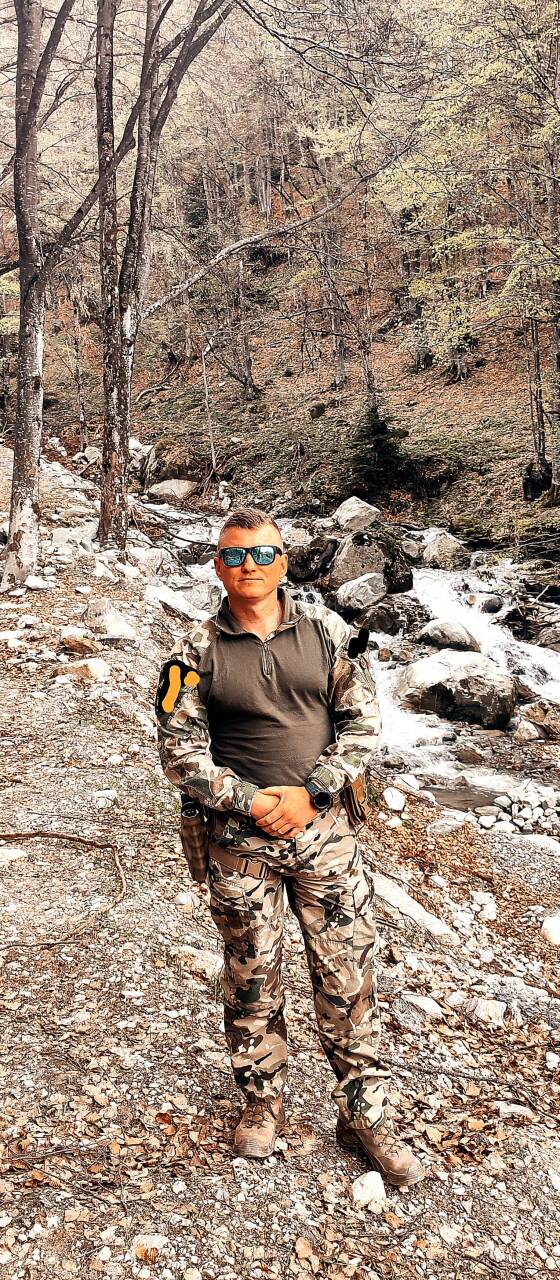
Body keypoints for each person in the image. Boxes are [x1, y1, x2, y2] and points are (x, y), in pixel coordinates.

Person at [155, 506, 423, 1186]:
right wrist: (250, 801)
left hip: (325, 833)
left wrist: (314, 792)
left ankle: (364, 1114)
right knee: (252, 974)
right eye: (234, 555)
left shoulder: (328, 631)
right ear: (218, 566)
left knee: (348, 973)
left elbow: (363, 721)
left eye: (262, 554)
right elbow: (178, 748)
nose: (249, 566)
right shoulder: (191, 648)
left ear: (283, 562)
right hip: (236, 842)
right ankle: (261, 1103)